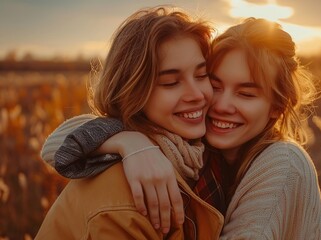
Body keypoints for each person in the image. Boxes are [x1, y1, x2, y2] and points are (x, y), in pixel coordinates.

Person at [42, 17, 321, 239]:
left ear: (277, 106)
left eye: (246, 93)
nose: (218, 102)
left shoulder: (280, 164)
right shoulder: (191, 150)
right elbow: (58, 147)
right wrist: (131, 143)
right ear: (137, 92)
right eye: (214, 83)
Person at [35, 6, 225, 240]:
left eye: (201, 75)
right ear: (132, 92)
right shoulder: (125, 203)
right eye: (170, 82)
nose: (196, 94)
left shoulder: (199, 152)